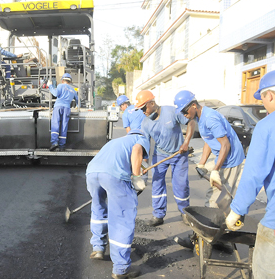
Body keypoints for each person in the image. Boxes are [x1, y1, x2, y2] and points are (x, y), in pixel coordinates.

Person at [225, 70, 275, 278]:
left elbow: (254, 173)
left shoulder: (267, 126)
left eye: (262, 98)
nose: (263, 104)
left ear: (269, 95)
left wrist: (236, 210)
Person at [86, 129, 149, 279]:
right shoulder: (140, 139)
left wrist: (138, 168)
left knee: (98, 208)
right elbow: (137, 150)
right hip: (114, 176)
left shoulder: (116, 142)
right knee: (121, 218)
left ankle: (98, 248)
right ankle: (121, 269)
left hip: (92, 173)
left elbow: (122, 160)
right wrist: (136, 176)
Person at [174, 90, 245, 207]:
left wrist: (215, 170)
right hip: (223, 156)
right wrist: (202, 163)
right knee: (219, 194)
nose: (184, 115)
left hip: (231, 158)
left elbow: (226, 145)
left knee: (217, 198)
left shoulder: (210, 118)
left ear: (193, 105)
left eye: (184, 111)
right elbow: (209, 141)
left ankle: (225, 220)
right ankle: (224, 215)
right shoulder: (200, 117)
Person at [135, 90, 196, 226]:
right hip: (160, 154)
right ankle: (158, 215)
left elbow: (191, 122)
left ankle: (185, 212)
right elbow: (145, 146)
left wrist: (186, 142)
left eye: (144, 107)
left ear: (152, 103)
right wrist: (143, 166)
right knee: (157, 184)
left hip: (178, 154)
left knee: (181, 185)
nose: (143, 111)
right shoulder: (145, 123)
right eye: (140, 109)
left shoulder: (171, 112)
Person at [48, 73, 78, 151]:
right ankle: (62, 146)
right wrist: (77, 106)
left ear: (62, 80)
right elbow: (78, 101)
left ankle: (54, 143)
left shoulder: (60, 86)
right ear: (70, 82)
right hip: (67, 108)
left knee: (55, 123)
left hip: (58, 107)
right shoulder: (73, 90)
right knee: (64, 126)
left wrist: (50, 86)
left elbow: (55, 93)